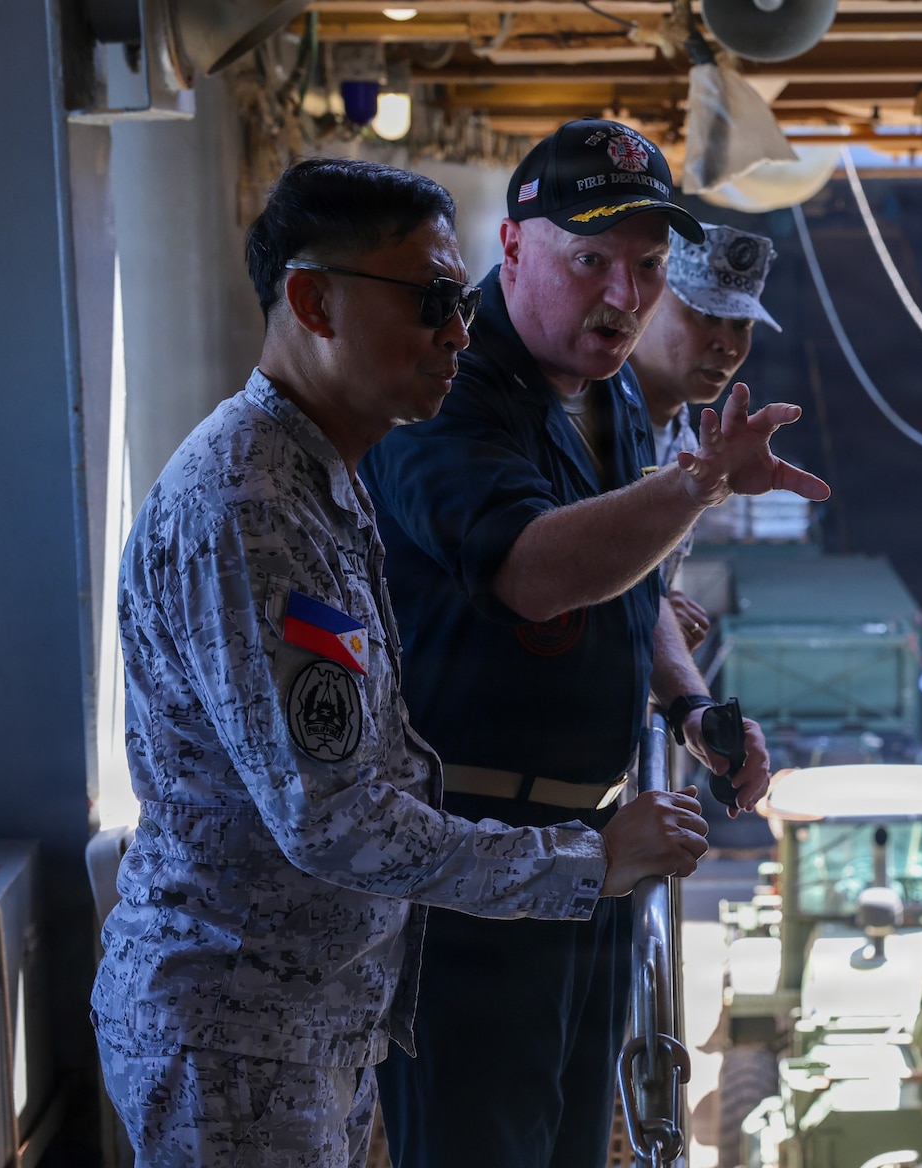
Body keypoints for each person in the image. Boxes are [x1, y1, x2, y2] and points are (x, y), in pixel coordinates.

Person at [90, 157, 709, 1168]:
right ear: (312, 302)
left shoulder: (317, 481)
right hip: (238, 1029)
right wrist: (588, 862)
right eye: (429, 303)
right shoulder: (250, 507)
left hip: (306, 1017)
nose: (458, 333)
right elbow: (336, 821)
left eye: (459, 305)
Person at [359, 119, 830, 1168]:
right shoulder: (449, 387)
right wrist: (697, 485)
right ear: (513, 247)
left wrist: (687, 704)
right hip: (471, 875)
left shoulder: (606, 387)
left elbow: (629, 583)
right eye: (591, 262)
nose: (624, 295)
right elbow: (532, 572)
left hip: (592, 863)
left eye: (648, 267)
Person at [629, 222, 782, 650]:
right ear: (647, 301)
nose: (728, 346)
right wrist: (649, 611)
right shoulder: (583, 414)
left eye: (742, 325)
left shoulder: (686, 443)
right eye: (708, 316)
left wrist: (660, 603)